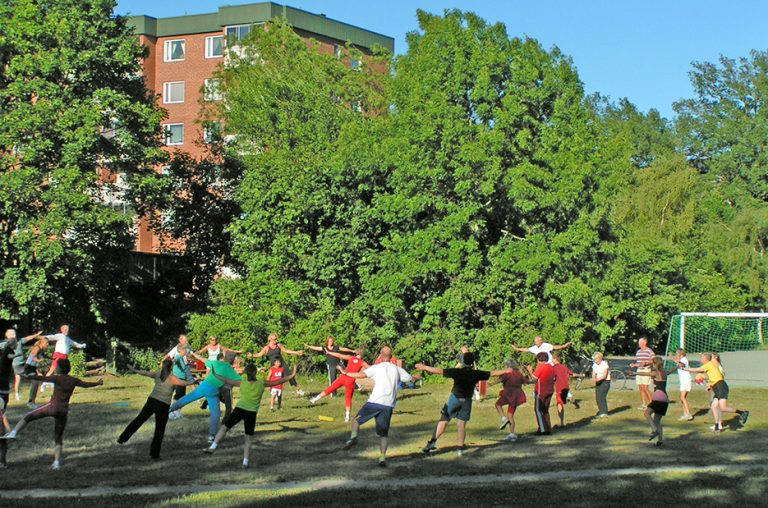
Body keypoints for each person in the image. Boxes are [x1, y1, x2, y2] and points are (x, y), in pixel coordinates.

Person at [0, 359, 102, 470]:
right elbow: (86, 384)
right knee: (58, 437)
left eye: (57, 366)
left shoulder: (57, 378)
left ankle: (14, 433)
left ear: (59, 368)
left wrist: (29, 377)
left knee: (28, 416)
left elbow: (43, 378)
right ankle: (56, 463)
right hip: (63, 410)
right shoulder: (73, 380)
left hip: (52, 407)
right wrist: (97, 383)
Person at [205, 363, 297, 468]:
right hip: (251, 412)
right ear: (255, 372)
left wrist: (215, 374)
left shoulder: (242, 382)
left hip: (239, 409)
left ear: (246, 373)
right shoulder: (261, 383)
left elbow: (226, 380)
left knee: (225, 427)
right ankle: (245, 462)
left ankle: (213, 447)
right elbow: (279, 381)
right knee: (248, 438)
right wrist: (292, 374)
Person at [418, 353, 509, 455]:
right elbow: (492, 373)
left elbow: (439, 371)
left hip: (455, 398)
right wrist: (506, 370)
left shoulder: (457, 372)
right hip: (467, 400)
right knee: (461, 425)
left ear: (462, 361)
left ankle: (432, 442)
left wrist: (424, 367)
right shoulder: (476, 373)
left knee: (444, 419)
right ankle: (460, 450)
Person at [339, 346, 414, 467]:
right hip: (388, 405)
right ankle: (382, 458)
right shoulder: (397, 369)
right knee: (383, 434)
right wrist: (416, 377)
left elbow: (362, 375)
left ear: (380, 356)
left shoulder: (377, 368)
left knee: (356, 420)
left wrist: (346, 373)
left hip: (374, 402)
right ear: (391, 357)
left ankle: (354, 437)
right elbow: (409, 378)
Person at [117, 359, 196, 459]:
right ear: (171, 367)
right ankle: (154, 454)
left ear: (162, 366)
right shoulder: (172, 378)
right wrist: (194, 381)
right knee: (159, 430)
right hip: (163, 404)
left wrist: (133, 369)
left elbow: (145, 373)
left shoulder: (158, 374)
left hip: (152, 400)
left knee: (139, 420)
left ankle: (122, 438)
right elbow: (183, 383)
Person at [168, 351, 241, 443]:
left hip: (203, 387)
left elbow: (204, 360)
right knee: (216, 414)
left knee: (186, 399)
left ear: (225, 357)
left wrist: (195, 354)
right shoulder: (231, 371)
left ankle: (169, 409)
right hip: (213, 393)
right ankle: (211, 436)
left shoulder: (216, 363)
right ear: (233, 360)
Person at [679, 352, 748, 433]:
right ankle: (717, 426)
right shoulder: (708, 366)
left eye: (702, 358)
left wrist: (684, 369)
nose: (700, 359)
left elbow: (696, 370)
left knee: (722, 408)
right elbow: (709, 376)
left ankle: (742, 412)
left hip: (721, 386)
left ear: (705, 359)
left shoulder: (709, 364)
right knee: (714, 406)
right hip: (716, 387)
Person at [309, 348, 369, 422]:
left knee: (331, 388)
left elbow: (339, 355)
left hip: (343, 377)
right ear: (362, 355)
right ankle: (347, 417)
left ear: (356, 353)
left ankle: (315, 399)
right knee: (348, 398)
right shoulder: (362, 362)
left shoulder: (351, 357)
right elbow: (371, 369)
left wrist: (329, 352)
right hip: (351, 380)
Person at [635, 356, 674, 446]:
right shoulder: (665, 372)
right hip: (665, 399)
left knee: (647, 414)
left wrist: (633, 373)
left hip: (658, 397)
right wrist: (678, 366)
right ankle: (660, 441)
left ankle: (654, 430)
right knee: (657, 420)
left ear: (655, 364)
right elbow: (671, 370)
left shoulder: (656, 373)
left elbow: (644, 374)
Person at [489, 359, 528, 442]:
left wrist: (491, 384)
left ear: (507, 366)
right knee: (510, 415)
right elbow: (525, 382)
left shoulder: (507, 373)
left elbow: (501, 380)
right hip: (517, 395)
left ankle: (503, 418)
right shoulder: (519, 374)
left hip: (508, 393)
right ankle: (512, 434)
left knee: (498, 404)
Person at [526, 352, 556, 435]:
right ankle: (548, 428)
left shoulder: (540, 367)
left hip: (540, 391)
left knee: (538, 410)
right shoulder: (551, 367)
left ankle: (542, 429)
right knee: (545, 410)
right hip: (550, 390)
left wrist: (530, 371)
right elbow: (554, 378)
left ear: (538, 359)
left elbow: (534, 379)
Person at [10, 330, 42, 401]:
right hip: (17, 365)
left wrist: (36, 335)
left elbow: (28, 338)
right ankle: (21, 395)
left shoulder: (20, 341)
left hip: (22, 363)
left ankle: (17, 394)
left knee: (18, 379)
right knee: (28, 376)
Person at [552, 352, 576, 428]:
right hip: (566, 387)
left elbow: (553, 378)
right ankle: (561, 421)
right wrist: (580, 375)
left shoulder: (554, 368)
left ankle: (561, 422)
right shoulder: (564, 367)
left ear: (555, 359)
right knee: (561, 403)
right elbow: (572, 373)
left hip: (559, 388)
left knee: (559, 404)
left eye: (552, 359)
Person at [25, 337, 49, 408]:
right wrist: (39, 361)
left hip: (33, 368)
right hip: (28, 367)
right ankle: (30, 402)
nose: (48, 345)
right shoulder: (37, 348)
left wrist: (53, 358)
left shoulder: (41, 350)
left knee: (36, 383)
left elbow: (45, 356)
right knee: (35, 383)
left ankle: (32, 402)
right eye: (47, 343)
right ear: (43, 343)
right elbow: (33, 357)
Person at [669, 348, 693, 421]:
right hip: (683, 381)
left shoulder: (684, 359)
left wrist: (672, 358)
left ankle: (688, 414)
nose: (676, 355)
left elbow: (681, 364)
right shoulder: (681, 359)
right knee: (682, 399)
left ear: (681, 354)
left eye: (677, 354)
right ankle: (685, 414)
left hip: (686, 380)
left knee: (682, 398)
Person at [630, 337, 654, 410]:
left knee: (645, 388)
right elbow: (639, 363)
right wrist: (634, 365)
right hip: (639, 371)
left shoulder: (649, 351)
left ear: (644, 343)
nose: (639, 343)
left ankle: (652, 404)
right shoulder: (638, 352)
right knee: (640, 388)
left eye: (640, 342)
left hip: (646, 370)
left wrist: (647, 362)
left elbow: (654, 360)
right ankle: (644, 404)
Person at [592, 352, 611, 418]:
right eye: (594, 360)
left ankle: (604, 412)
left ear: (599, 358)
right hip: (598, 382)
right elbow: (594, 373)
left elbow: (604, 375)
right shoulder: (594, 364)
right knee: (597, 397)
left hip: (605, 381)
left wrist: (597, 379)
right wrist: (594, 378)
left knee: (601, 396)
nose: (595, 361)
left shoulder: (604, 364)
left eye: (596, 359)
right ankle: (601, 411)